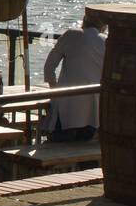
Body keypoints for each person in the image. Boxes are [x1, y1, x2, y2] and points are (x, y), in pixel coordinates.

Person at [43, 13, 107, 142]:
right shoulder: (105, 41)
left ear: (83, 21)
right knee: (85, 146)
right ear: (104, 26)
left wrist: (54, 91)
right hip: (93, 110)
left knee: (58, 145)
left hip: (66, 105)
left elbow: (49, 68)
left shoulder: (70, 35)